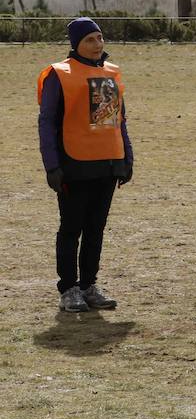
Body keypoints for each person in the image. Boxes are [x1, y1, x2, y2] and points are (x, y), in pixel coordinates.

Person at [37, 17, 133, 313]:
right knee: (71, 229)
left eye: (100, 38)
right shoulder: (59, 74)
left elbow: (118, 120)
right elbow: (47, 122)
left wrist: (126, 157)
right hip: (74, 164)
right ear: (75, 43)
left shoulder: (111, 72)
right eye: (90, 39)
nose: (97, 45)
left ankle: (90, 285)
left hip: (107, 163)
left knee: (96, 228)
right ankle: (69, 289)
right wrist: (52, 165)